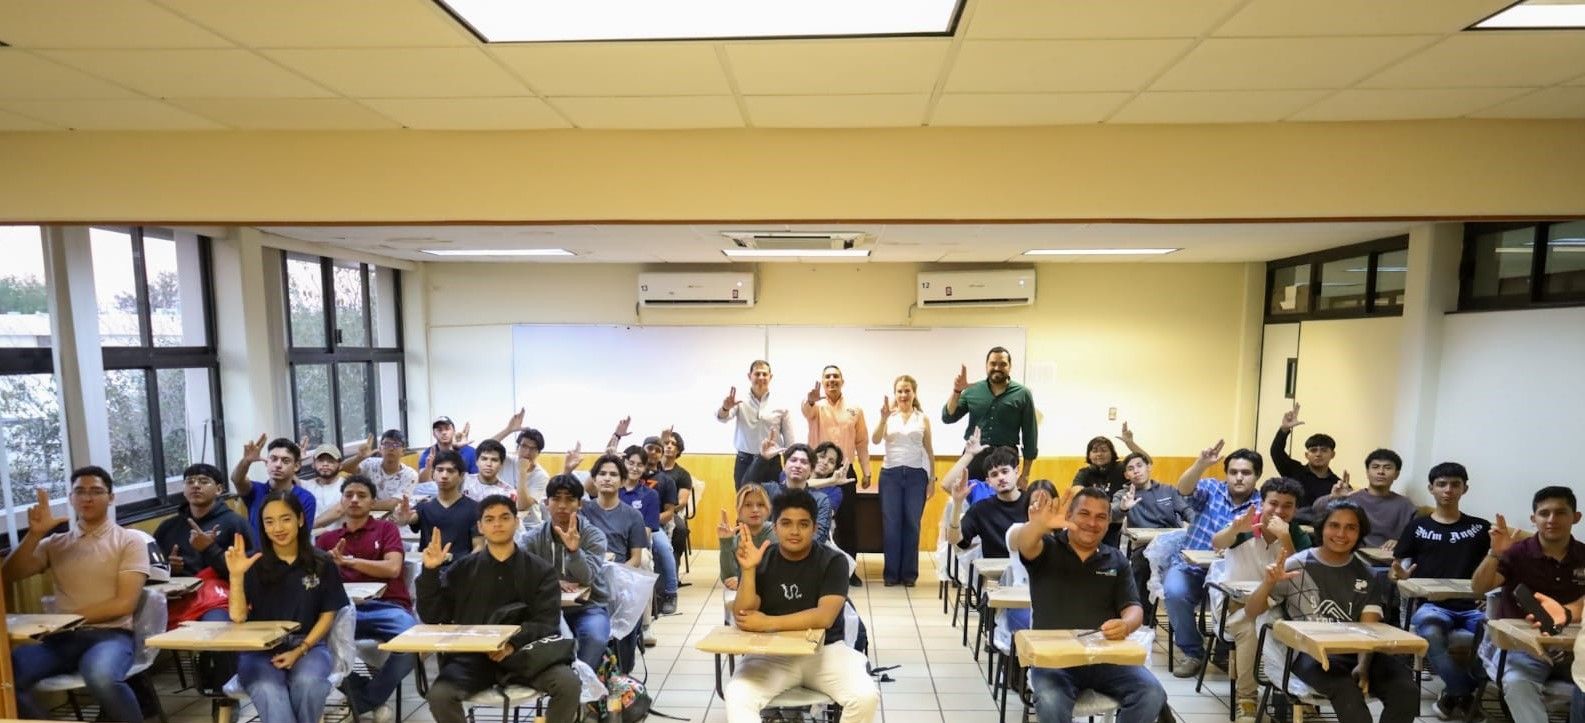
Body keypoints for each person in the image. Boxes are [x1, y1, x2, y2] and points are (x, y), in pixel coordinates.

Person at [1245, 501, 1418, 723]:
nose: (1341, 534)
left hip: (1358, 653)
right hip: (1311, 654)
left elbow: (1370, 629)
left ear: (1360, 532)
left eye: (1351, 528)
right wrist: (1268, 583)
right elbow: (1251, 612)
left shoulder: (1367, 573)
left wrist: (1363, 666)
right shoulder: (1296, 565)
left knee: (1406, 690)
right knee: (1347, 692)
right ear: (1321, 528)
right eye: (1334, 525)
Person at [418, 495, 582, 723]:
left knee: (569, 684)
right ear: (480, 526)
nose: (497, 524)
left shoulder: (541, 570)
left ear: (516, 522)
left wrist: (512, 643)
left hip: (527, 654)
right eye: (489, 519)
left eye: (505, 517)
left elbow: (547, 622)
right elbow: (433, 616)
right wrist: (429, 572)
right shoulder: (462, 569)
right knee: (440, 696)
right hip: (473, 658)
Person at [4, 469, 150, 722]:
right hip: (59, 640)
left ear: (111, 497)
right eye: (80, 492)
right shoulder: (55, 543)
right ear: (71, 498)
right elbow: (8, 574)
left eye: (96, 491)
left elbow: (124, 604)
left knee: (102, 677)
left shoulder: (130, 541)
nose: (87, 498)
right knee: (6, 674)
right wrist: (35, 534)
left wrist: (65, 618)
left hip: (111, 636)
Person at [723, 489, 879, 722]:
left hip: (824, 651)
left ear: (815, 528)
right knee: (737, 694)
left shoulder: (833, 560)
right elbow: (744, 613)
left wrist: (768, 622)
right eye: (786, 523)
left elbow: (824, 617)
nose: (794, 531)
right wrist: (748, 570)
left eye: (803, 524)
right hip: (772, 653)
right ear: (774, 527)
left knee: (865, 696)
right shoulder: (763, 557)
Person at [1015, 485, 1166, 723]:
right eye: (1084, 514)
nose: (1092, 523)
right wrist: (1037, 526)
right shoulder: (1047, 548)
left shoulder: (1116, 559)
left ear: (1108, 523)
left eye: (1101, 517)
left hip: (1104, 657)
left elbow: (1134, 608)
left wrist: (1126, 625)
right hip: (1054, 660)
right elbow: (1022, 543)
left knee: (1152, 693)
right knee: (1052, 703)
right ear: (1069, 516)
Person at [225, 490, 349, 723]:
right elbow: (238, 617)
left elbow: (327, 614)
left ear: (300, 520)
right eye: (269, 522)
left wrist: (300, 650)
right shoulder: (252, 562)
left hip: (309, 645)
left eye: (285, 519)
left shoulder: (322, 562)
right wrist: (236, 577)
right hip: (258, 649)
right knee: (268, 689)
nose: (278, 528)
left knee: (309, 683)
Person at [1472, 485, 1584, 723]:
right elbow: (1479, 588)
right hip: (1526, 648)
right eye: (1544, 513)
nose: (1552, 519)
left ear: (1576, 517)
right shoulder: (1517, 553)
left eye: (1561, 512)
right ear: (1534, 519)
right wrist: (1494, 554)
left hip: (1576, 648)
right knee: (1517, 684)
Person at [1390, 462, 1490, 720]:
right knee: (1432, 633)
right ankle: (1465, 693)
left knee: (1493, 634)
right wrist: (1399, 576)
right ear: (1431, 489)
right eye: (1442, 484)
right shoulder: (1418, 526)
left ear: (1465, 489)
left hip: (1473, 607)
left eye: (1455, 484)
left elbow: (1493, 568)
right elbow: (1398, 566)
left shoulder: (1480, 528)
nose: (1448, 490)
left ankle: (1453, 695)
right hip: (1430, 605)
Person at [313, 475, 417, 721]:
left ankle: (362, 702)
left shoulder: (387, 529)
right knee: (310, 646)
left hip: (386, 606)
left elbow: (392, 568)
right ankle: (368, 698)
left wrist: (350, 562)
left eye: (362, 495)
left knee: (413, 643)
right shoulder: (326, 539)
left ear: (373, 502)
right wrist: (327, 565)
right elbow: (314, 584)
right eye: (349, 495)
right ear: (342, 501)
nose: (355, 500)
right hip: (342, 609)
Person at [1207, 477, 1312, 719]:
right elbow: (1217, 542)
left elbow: (1300, 573)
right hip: (1238, 604)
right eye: (1273, 503)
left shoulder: (1295, 533)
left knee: (1302, 628)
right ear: (1261, 503)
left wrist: (1285, 538)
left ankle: (1294, 692)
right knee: (1252, 629)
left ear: (1295, 509)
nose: (1279, 511)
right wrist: (1235, 529)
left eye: (1287, 505)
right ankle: (1247, 698)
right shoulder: (1247, 526)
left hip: (1279, 605)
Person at [1165, 440, 1263, 678]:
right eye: (1233, 472)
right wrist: (1201, 464)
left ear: (1257, 475)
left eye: (1246, 473)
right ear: (1226, 474)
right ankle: (1193, 652)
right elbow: (1184, 489)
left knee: (1241, 602)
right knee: (1174, 591)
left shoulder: (1262, 504)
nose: (1239, 477)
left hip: (1233, 573)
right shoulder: (1211, 489)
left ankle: (1224, 647)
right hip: (1192, 567)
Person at [518, 474, 610, 671]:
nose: (562, 505)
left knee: (595, 637)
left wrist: (574, 551)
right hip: (545, 609)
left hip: (588, 607)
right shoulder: (532, 538)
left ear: (580, 504)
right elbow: (518, 573)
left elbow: (587, 577)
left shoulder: (594, 535)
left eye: (569, 499)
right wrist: (552, 581)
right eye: (556, 499)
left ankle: (580, 687)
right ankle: (563, 684)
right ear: (546, 503)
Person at [579, 453, 650, 672]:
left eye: (613, 474)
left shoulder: (632, 516)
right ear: (594, 479)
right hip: (586, 580)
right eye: (602, 474)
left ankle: (622, 677)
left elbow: (636, 558)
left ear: (621, 480)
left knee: (625, 633)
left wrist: (614, 578)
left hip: (619, 581)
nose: (607, 479)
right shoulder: (583, 510)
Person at [873, 374, 936, 587]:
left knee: (912, 524)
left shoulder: (922, 418)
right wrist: (882, 418)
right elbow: (874, 439)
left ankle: (909, 575)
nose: (903, 394)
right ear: (895, 394)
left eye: (907, 390)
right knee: (891, 525)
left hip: (916, 476)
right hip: (890, 475)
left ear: (914, 393)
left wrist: (932, 479)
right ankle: (891, 575)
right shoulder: (888, 417)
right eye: (899, 390)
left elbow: (928, 450)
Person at [942, 346, 1037, 485]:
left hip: (1006, 458)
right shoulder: (972, 390)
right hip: (974, 455)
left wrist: (1025, 475)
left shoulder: (1023, 394)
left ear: (1010, 366)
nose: (997, 367)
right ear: (986, 366)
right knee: (969, 499)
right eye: (993, 363)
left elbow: (1030, 436)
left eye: (1003, 364)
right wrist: (957, 391)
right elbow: (948, 417)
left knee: (1003, 502)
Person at [1311, 449, 1416, 549]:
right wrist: (1333, 497)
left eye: (1387, 468)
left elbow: (1414, 536)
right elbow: (1316, 510)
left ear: (1396, 474)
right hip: (1352, 555)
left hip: (1388, 559)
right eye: (1375, 467)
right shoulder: (1352, 498)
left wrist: (1400, 542)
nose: (1381, 472)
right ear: (1367, 472)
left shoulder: (1405, 504)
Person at [619, 444, 679, 615]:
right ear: (623, 462)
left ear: (644, 467)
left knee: (663, 548)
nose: (634, 467)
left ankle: (670, 592)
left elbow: (668, 513)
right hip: (616, 538)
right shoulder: (614, 487)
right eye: (631, 463)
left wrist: (651, 519)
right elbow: (592, 486)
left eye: (639, 465)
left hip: (648, 530)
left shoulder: (658, 487)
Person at [717, 359, 796, 489]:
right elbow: (723, 418)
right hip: (745, 461)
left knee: (774, 504)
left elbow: (790, 441)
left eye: (764, 374)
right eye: (757, 374)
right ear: (749, 376)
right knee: (745, 503)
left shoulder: (782, 402)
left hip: (772, 463)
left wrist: (791, 465)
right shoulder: (739, 400)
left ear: (770, 377)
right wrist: (725, 408)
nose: (761, 377)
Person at [394, 450, 482, 566]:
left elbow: (479, 547)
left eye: (450, 471)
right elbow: (410, 518)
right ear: (433, 474)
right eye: (440, 470)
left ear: (461, 476)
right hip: (429, 572)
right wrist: (402, 519)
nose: (444, 475)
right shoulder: (424, 507)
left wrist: (463, 566)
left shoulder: (475, 508)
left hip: (462, 572)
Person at [745, 438, 835, 545]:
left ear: (811, 470)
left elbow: (819, 537)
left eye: (804, 462)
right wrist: (762, 458)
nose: (797, 465)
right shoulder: (769, 490)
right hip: (770, 551)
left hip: (807, 555)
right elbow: (746, 490)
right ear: (785, 466)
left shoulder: (820, 499)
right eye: (793, 460)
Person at [947, 446, 1026, 560]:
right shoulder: (981, 509)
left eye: (1005, 471)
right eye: (994, 474)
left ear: (1016, 471)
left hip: (1030, 570)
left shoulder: (1031, 502)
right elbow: (955, 540)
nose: (1001, 478)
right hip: (995, 572)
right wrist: (957, 503)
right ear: (988, 481)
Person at [230, 434, 318, 536]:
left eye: (285, 461)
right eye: (273, 459)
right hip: (256, 552)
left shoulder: (305, 498)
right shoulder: (255, 490)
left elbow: (303, 537)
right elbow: (236, 479)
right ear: (266, 462)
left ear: (296, 466)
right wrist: (246, 461)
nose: (278, 465)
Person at [1268, 401, 1341, 513]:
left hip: (1323, 527)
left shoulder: (1337, 484)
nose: (1318, 454)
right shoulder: (1294, 471)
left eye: (1324, 450)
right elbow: (1276, 452)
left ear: (1332, 455)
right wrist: (1284, 429)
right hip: (1294, 524)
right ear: (1307, 455)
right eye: (1313, 450)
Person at [1111, 452, 1193, 530]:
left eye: (1139, 466)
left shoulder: (1168, 490)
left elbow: (1187, 511)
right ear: (1126, 475)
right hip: (1140, 543)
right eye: (1130, 469)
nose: (1136, 471)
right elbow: (1111, 516)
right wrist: (1122, 508)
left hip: (1170, 540)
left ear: (1148, 467)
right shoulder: (1123, 495)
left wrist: (1197, 524)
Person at [345, 429, 418, 511]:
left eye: (396, 445)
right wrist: (358, 458)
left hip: (395, 519)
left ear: (403, 451)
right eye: (387, 444)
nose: (391, 448)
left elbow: (393, 504)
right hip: (368, 516)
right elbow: (345, 468)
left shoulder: (410, 474)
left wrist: (361, 504)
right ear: (380, 448)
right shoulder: (370, 463)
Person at [719, 484, 775, 590]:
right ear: (739, 510)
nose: (755, 510)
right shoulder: (737, 539)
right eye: (748, 505)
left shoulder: (776, 533)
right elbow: (728, 578)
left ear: (768, 509)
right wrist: (725, 542)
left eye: (760, 504)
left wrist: (742, 582)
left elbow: (777, 575)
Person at [1073, 423, 1150, 496]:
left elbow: (1147, 461)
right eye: (1095, 451)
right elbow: (1076, 491)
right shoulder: (1084, 473)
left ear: (1112, 453)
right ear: (1089, 455)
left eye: (1104, 450)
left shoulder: (1122, 467)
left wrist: (1130, 443)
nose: (1099, 454)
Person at [657, 430, 695, 569]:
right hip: (647, 511)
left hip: (672, 513)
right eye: (666, 443)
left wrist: (666, 512)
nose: (669, 446)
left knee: (680, 529)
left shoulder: (683, 474)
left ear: (678, 449)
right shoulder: (651, 468)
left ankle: (672, 569)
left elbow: (682, 502)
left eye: (673, 444)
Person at [304, 443, 347, 529]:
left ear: (340, 465)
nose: (325, 464)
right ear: (313, 464)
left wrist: (306, 528)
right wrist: (296, 460)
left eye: (330, 461)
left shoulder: (347, 486)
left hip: (338, 538)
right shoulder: (306, 486)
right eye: (320, 460)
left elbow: (338, 511)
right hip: (310, 540)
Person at [463, 439, 519, 506]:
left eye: (494, 460)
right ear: (476, 461)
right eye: (484, 459)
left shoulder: (509, 493)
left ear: (501, 464)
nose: (489, 464)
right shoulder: (463, 481)